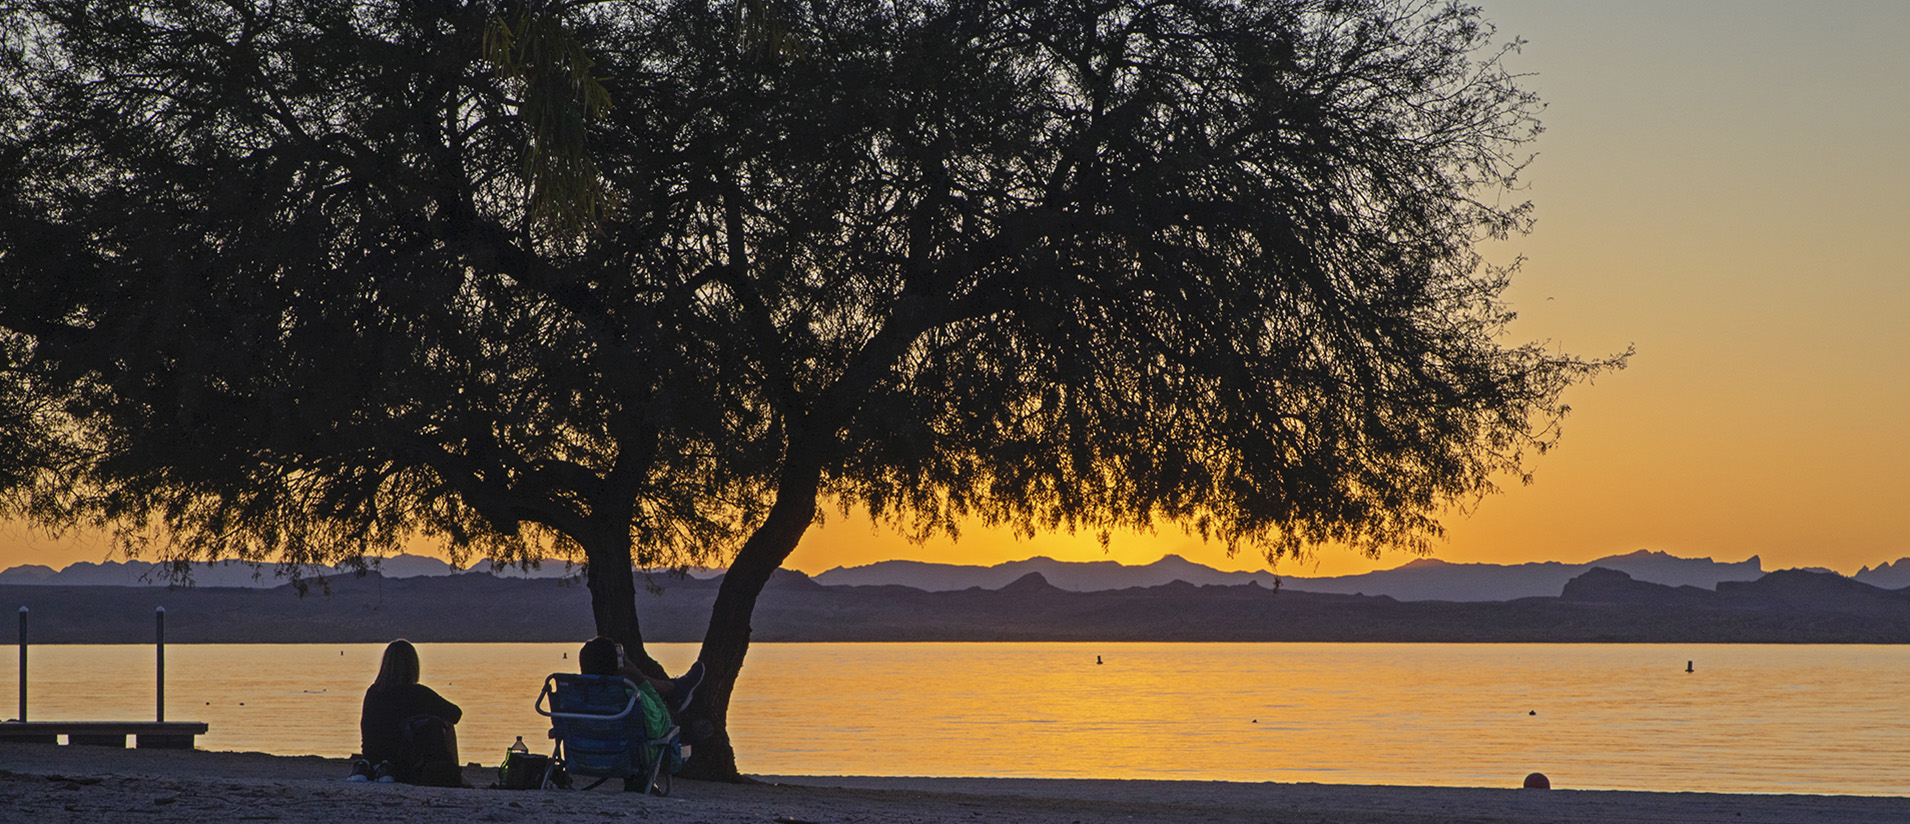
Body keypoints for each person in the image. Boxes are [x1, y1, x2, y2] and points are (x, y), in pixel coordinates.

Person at [354, 639, 465, 786]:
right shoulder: (419, 693)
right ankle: (452, 772)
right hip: (407, 762)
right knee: (446, 723)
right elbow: (455, 714)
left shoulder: (373, 692)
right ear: (413, 665)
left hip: (373, 759)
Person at [577, 636, 704, 715]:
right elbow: (663, 723)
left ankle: (674, 688)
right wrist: (641, 680)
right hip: (629, 756)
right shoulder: (630, 698)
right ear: (619, 666)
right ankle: (675, 692)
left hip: (583, 756)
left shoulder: (574, 699)